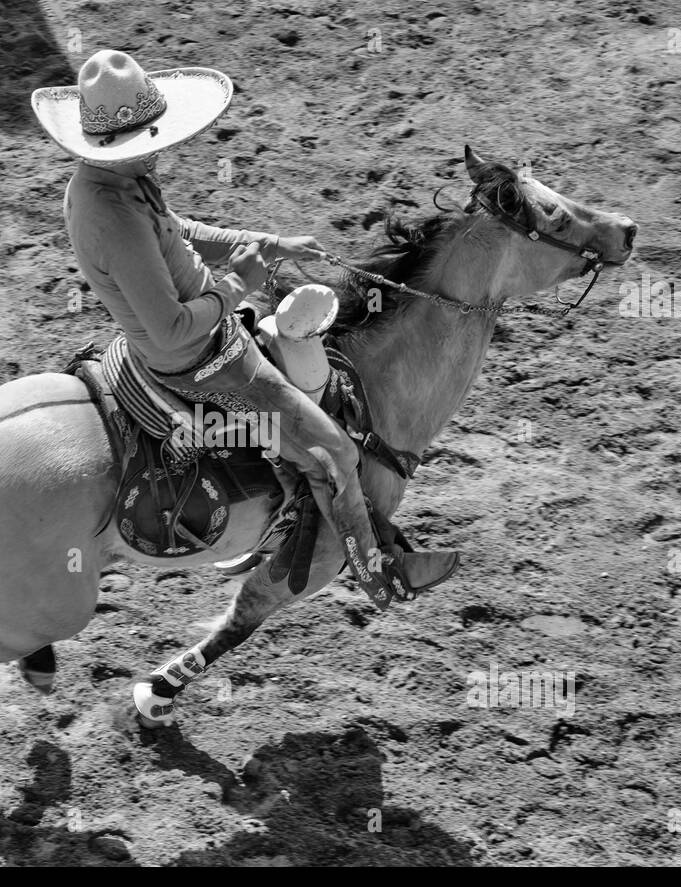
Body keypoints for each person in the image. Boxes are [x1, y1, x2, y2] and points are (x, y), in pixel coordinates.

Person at [31, 49, 457, 609]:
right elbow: (173, 327)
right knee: (334, 450)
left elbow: (175, 230)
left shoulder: (107, 183)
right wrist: (239, 280)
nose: (161, 148)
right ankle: (379, 571)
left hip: (202, 333)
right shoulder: (113, 213)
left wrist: (264, 243)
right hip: (200, 357)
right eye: (149, 141)